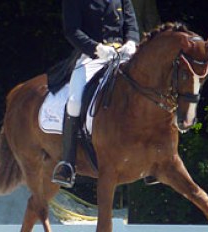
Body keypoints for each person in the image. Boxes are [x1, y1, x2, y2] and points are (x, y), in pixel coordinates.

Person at [51, 0, 140, 188]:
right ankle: (67, 163)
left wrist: (131, 42)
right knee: (74, 101)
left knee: (147, 87)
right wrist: (96, 48)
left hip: (123, 55)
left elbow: (131, 24)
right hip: (92, 56)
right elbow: (72, 30)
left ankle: (153, 154)